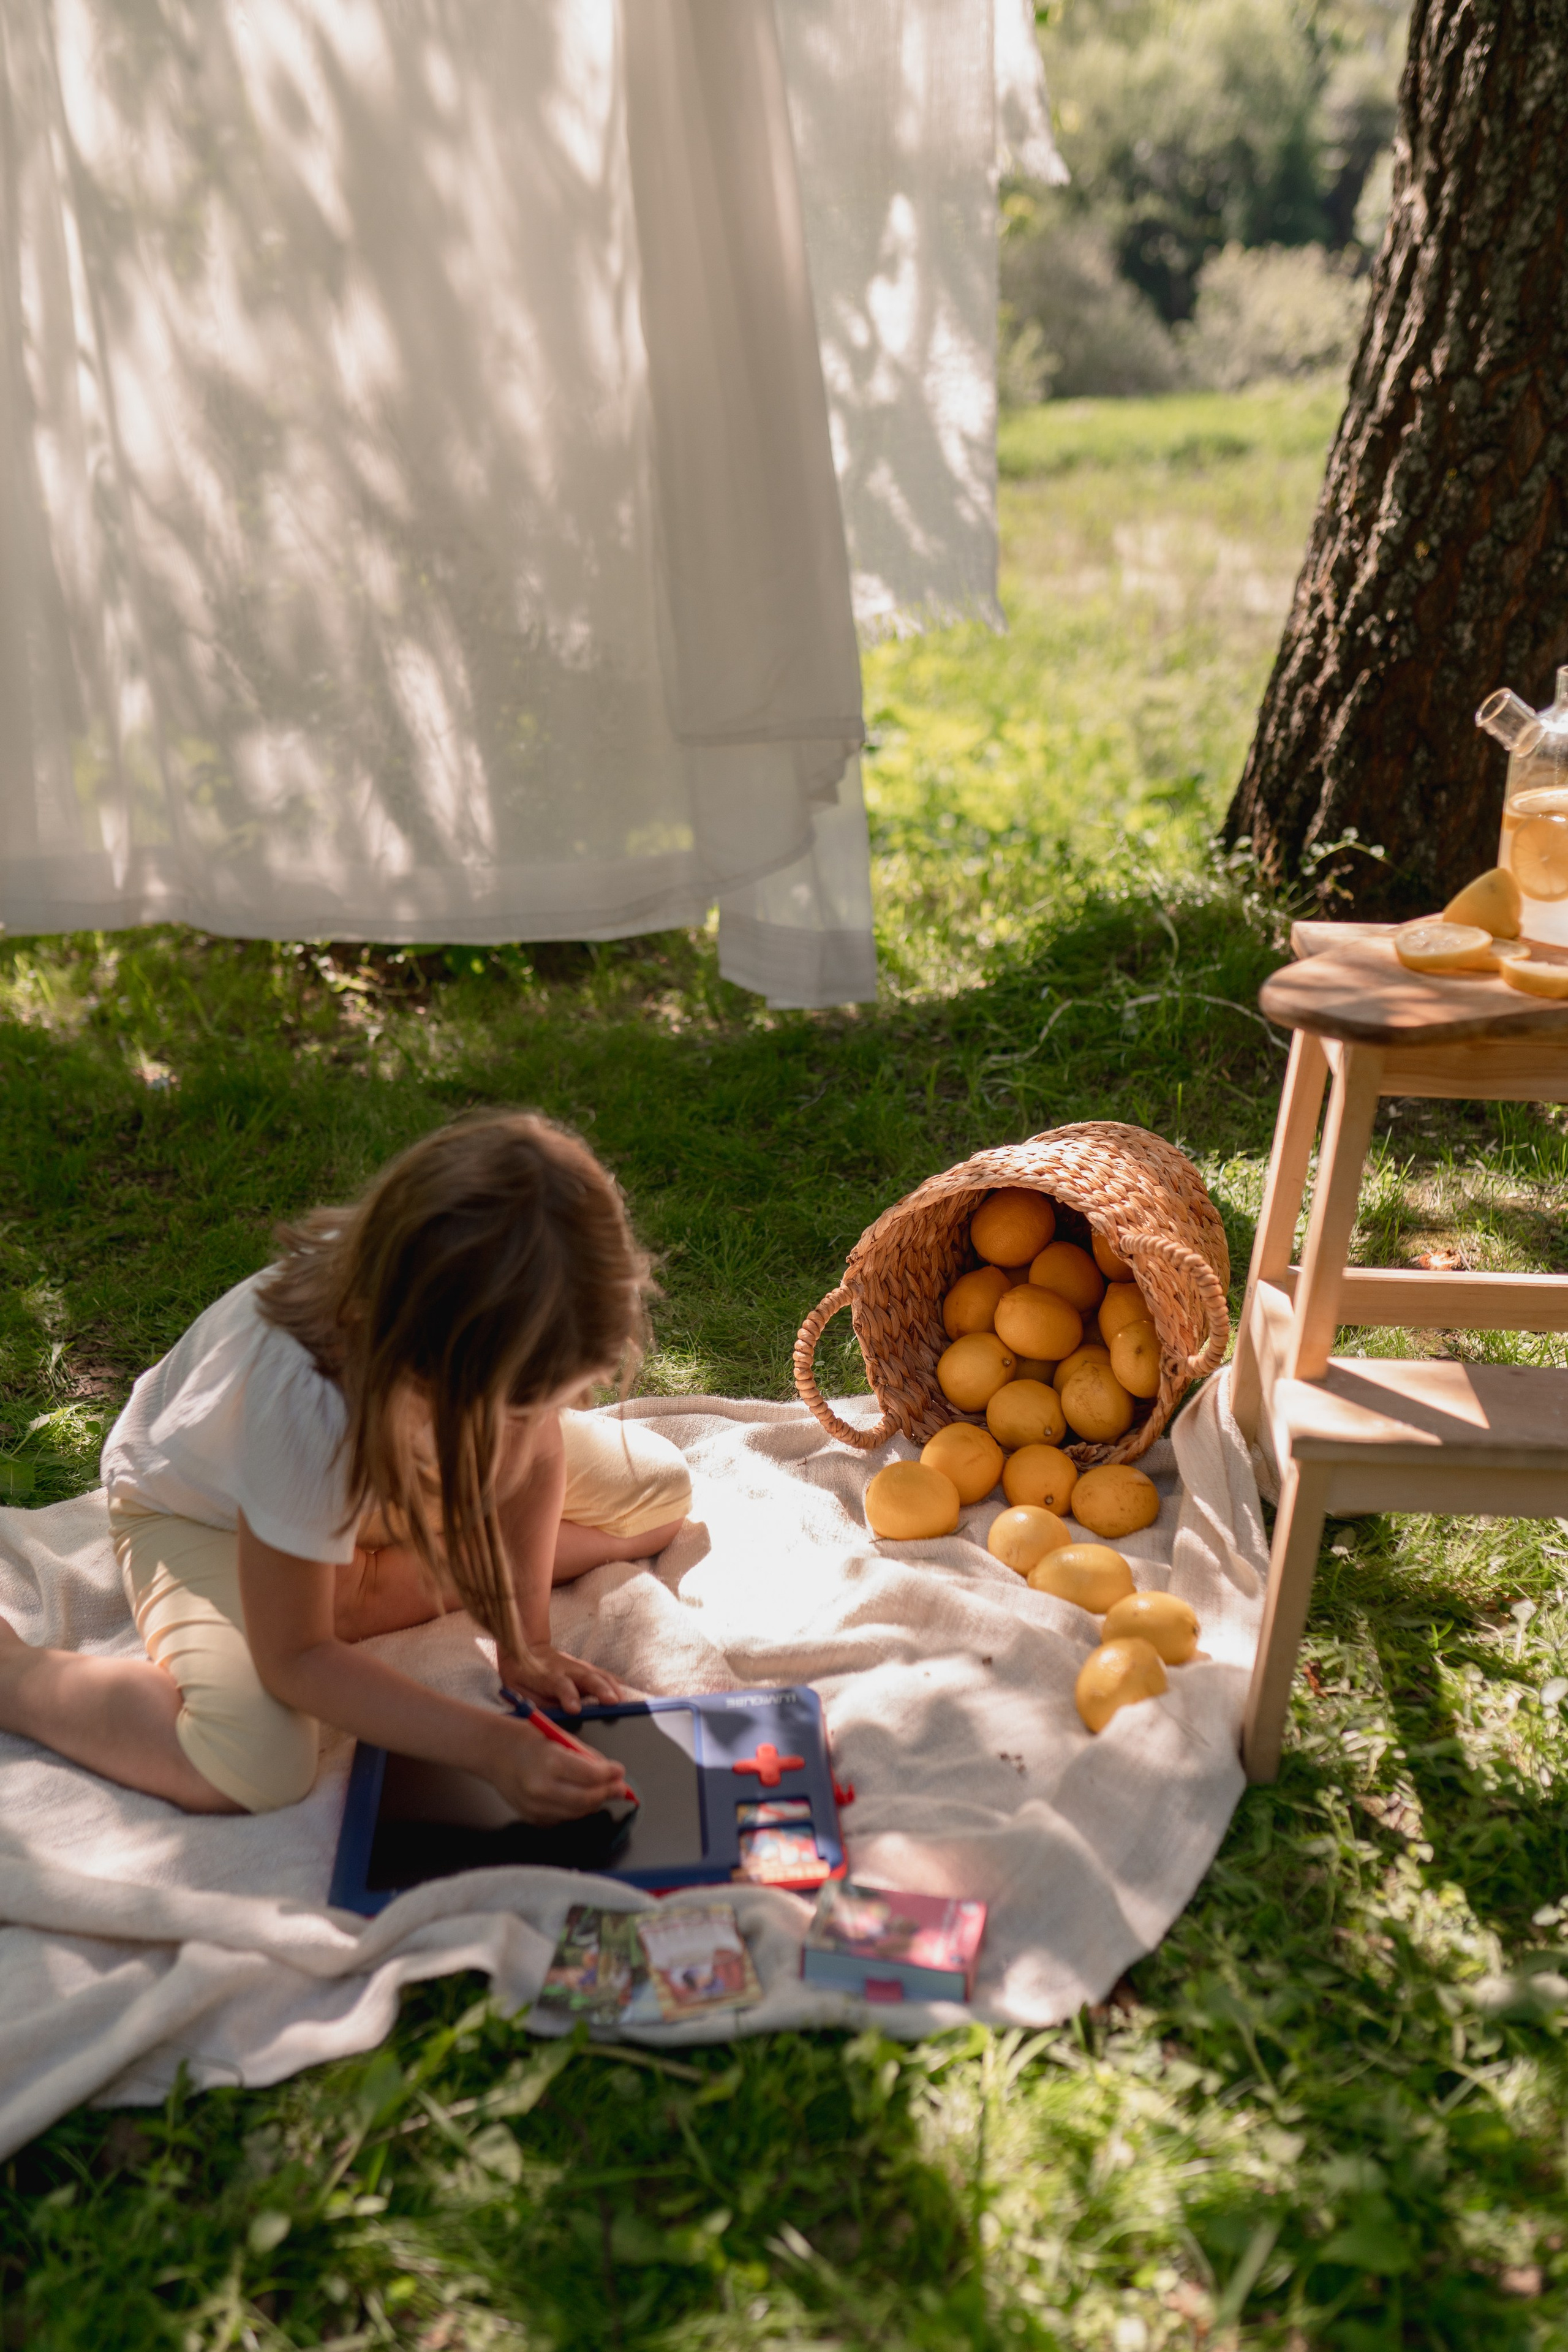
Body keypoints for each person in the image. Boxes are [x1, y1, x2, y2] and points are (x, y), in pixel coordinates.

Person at [0, 1112, 691, 1820]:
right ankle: (14, 1677)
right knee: (253, 1764)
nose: (528, 1434)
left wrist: (526, 1643)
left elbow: (540, 1447)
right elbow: (294, 1657)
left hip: (389, 1459)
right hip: (205, 1515)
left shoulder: (468, 1302)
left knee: (658, 1496)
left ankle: (365, 1581)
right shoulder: (304, 1394)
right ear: (426, 1363)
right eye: (512, 1414)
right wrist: (491, 1747)